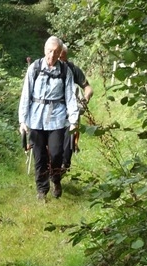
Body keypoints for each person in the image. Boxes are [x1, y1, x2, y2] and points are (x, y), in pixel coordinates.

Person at [18, 35, 79, 202]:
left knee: (57, 152)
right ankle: (41, 189)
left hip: (57, 118)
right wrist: (22, 121)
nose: (52, 55)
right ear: (45, 50)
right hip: (36, 118)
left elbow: (70, 97)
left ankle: (56, 179)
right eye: (50, 51)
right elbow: (26, 95)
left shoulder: (65, 71)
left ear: (61, 53)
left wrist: (74, 121)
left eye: (56, 52)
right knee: (39, 156)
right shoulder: (35, 68)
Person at [59, 44, 94, 172]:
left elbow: (88, 87)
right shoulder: (46, 67)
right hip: (52, 110)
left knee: (70, 135)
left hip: (70, 109)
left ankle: (65, 164)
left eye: (61, 56)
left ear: (65, 55)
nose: (58, 59)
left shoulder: (73, 69)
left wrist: (86, 96)